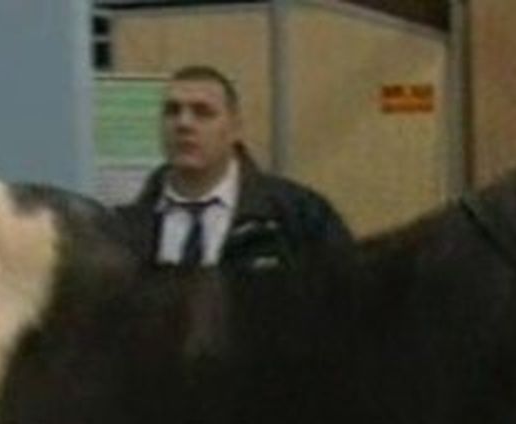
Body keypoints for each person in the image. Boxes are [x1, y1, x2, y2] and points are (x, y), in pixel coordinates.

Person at [117, 64, 351, 271]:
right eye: (172, 111)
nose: (184, 123)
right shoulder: (122, 231)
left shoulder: (298, 217)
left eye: (202, 112)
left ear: (235, 128)